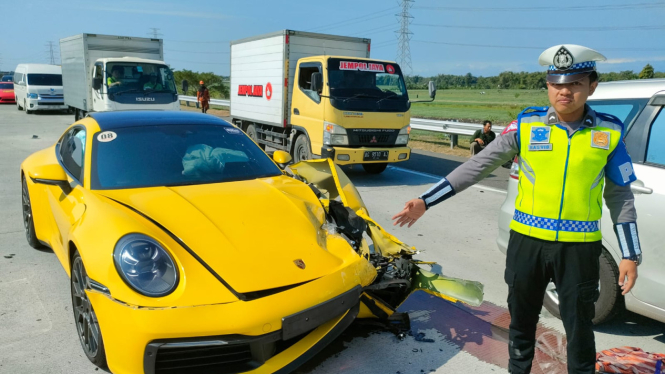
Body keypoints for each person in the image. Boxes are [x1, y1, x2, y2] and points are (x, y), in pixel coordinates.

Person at [391, 44, 643, 374]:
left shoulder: (609, 132)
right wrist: (427, 200)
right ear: (548, 85)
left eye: (575, 83)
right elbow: (479, 165)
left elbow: (620, 195)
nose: (564, 91)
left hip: (580, 251)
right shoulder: (526, 125)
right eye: (556, 83)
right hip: (527, 245)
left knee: (580, 328)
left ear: (592, 85)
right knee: (521, 324)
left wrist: (630, 254)